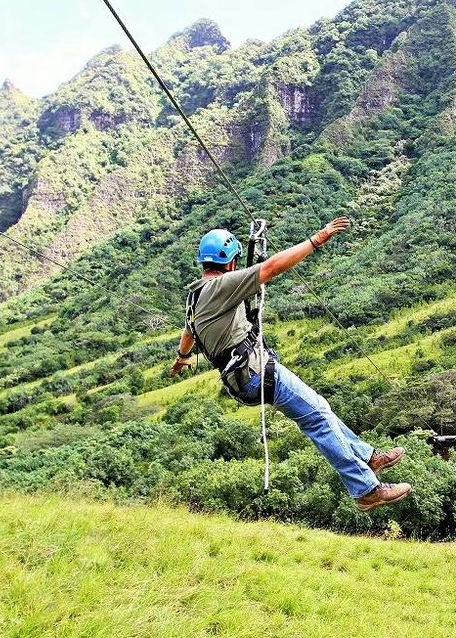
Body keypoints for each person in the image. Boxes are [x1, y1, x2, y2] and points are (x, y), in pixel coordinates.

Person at [170, 217, 412, 511]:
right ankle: (365, 489)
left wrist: (182, 358)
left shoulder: (194, 296)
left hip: (243, 378)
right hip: (257, 372)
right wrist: (317, 239)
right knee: (318, 420)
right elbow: (272, 267)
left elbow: (188, 332)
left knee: (320, 408)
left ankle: (368, 456)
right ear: (231, 262)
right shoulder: (222, 285)